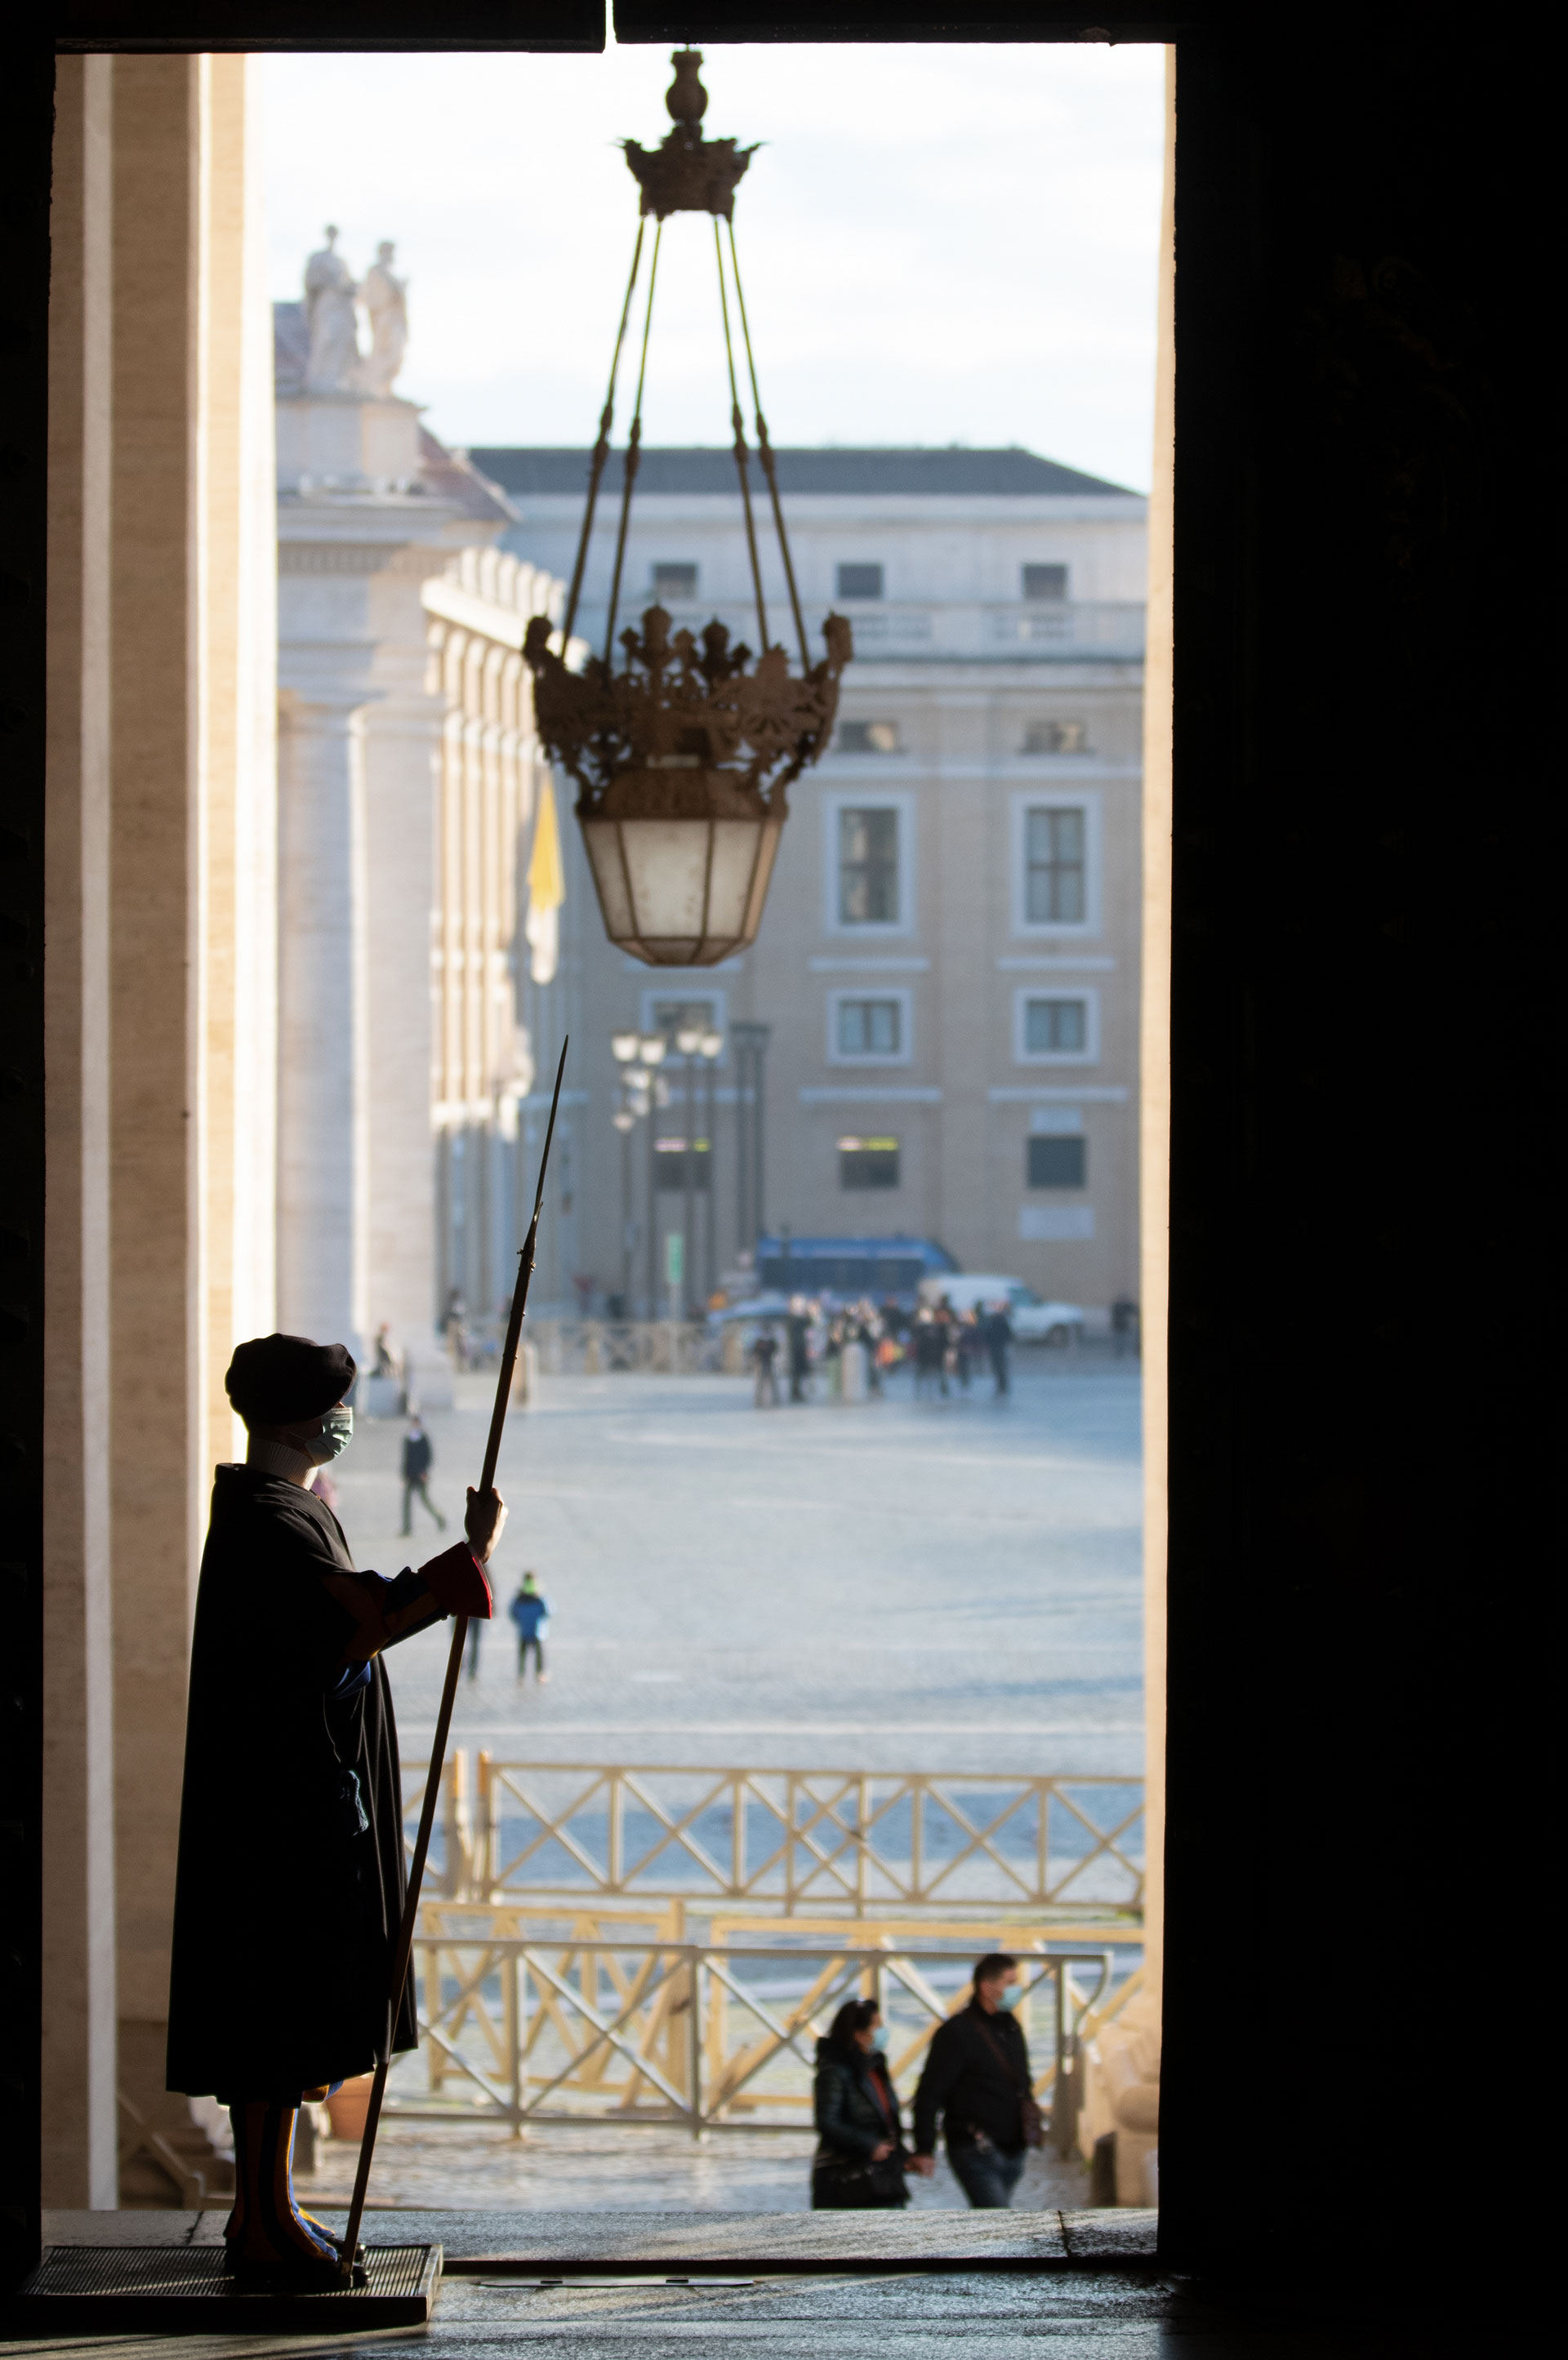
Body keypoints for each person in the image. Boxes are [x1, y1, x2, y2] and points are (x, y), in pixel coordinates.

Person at [166, 1330, 503, 2283]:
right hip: (283, 1809)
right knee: (274, 2015)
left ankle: (264, 2210)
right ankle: (263, 2221)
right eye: (338, 1408)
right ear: (311, 1420)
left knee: (288, 2011)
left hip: (291, 1795)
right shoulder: (271, 1521)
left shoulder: (278, 1505)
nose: (347, 1424)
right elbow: (367, 1622)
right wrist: (470, 1553)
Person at [910, 1953, 1036, 2208]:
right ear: (987, 1987)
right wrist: (925, 2148)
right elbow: (929, 2093)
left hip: (1012, 2147)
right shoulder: (956, 2033)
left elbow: (1022, 2080)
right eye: (1010, 1982)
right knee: (996, 2219)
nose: (1017, 1989)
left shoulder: (1010, 2026)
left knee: (994, 2217)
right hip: (975, 2148)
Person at [811, 1999, 909, 2209]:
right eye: (877, 2026)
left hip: (884, 2173)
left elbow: (887, 2119)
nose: (883, 2032)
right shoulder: (834, 2071)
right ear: (859, 2034)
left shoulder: (876, 2067)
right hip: (849, 2179)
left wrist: (903, 2156)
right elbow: (827, 2121)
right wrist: (869, 2144)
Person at [400, 1416, 445, 1536]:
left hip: (421, 1476)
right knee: (406, 1503)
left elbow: (428, 1457)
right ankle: (407, 1528)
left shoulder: (424, 1439)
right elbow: (406, 1459)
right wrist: (404, 1475)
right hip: (410, 1475)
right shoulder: (408, 1439)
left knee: (425, 1501)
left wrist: (424, 1472)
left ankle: (440, 1518)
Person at [510, 1570, 550, 1684]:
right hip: (535, 1630)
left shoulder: (520, 1597)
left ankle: (524, 1675)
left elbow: (513, 1613)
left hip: (528, 1630)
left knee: (529, 1654)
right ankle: (531, 1674)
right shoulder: (539, 1596)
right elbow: (548, 1611)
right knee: (533, 1654)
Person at [984, 1301, 1013, 1399]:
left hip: (998, 1346)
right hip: (997, 1346)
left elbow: (1007, 1334)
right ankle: (1001, 1386)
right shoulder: (996, 1320)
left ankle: (1002, 1386)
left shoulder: (998, 1321)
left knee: (1000, 1367)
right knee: (999, 1367)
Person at [751, 1325, 780, 1407]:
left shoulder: (771, 1341)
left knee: (772, 1383)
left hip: (770, 1363)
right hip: (761, 1364)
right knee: (760, 1383)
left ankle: (775, 1399)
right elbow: (755, 1351)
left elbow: (775, 1350)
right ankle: (758, 1400)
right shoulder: (759, 1341)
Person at [1111, 1294, 1140, 1359]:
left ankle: (1122, 1353)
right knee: (1118, 1340)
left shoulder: (1126, 1305)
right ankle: (1118, 1353)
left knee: (1124, 1340)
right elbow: (1114, 1316)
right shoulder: (1116, 1306)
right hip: (1117, 1326)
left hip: (1125, 1326)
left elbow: (1135, 1311)